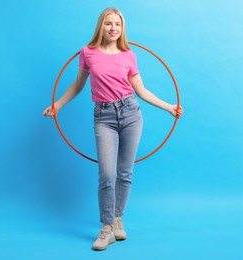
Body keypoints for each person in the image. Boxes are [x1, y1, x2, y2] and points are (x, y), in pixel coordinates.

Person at [43, 7, 184, 251]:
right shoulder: (88, 53)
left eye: (117, 24)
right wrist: (57, 106)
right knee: (107, 174)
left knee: (125, 173)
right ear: (101, 26)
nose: (113, 28)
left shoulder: (128, 55)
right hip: (104, 116)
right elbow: (78, 85)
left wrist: (169, 106)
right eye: (108, 24)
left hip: (131, 113)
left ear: (122, 27)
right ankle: (107, 227)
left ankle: (117, 219)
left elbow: (141, 91)